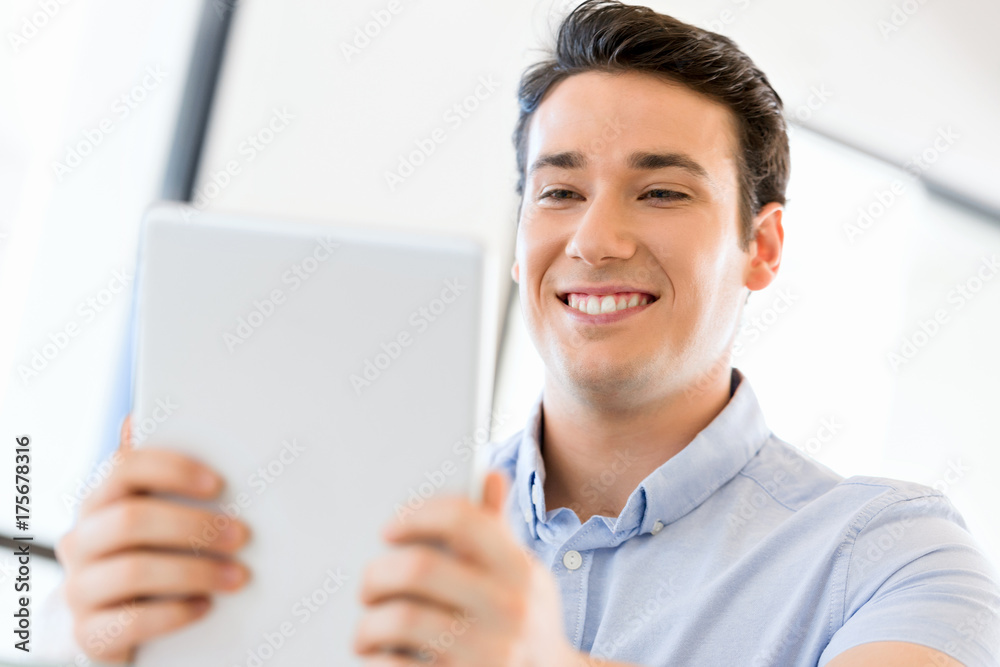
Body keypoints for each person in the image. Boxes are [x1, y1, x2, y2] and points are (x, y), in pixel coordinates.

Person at [55, 1, 1000, 665]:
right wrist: (110, 642)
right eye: (559, 191)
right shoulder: (372, 526)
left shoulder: (891, 552)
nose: (596, 239)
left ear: (763, 244)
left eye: (661, 191)